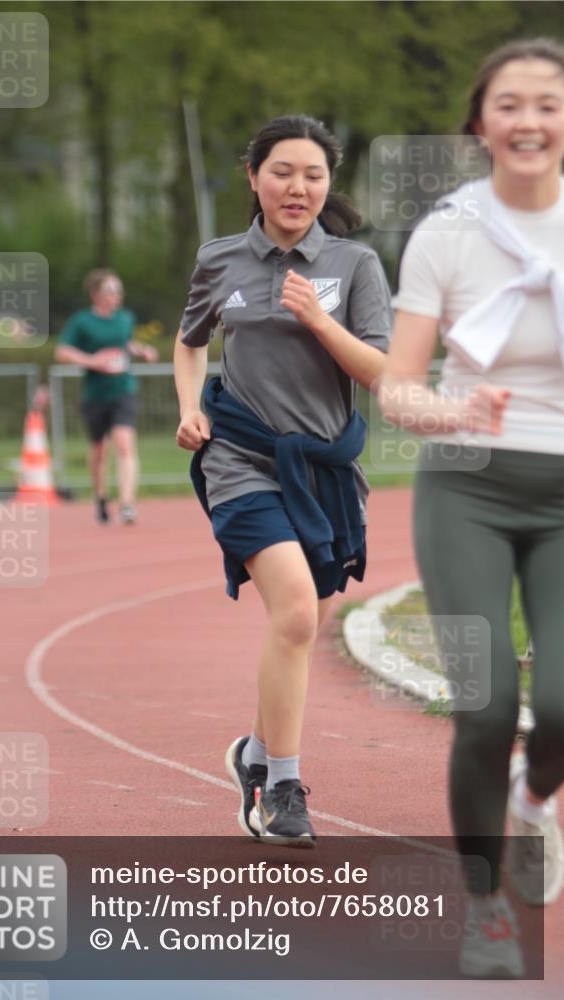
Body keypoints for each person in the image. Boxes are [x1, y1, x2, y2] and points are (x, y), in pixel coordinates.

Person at [379, 38, 564, 978]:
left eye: (548, 104)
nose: (529, 122)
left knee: (561, 704)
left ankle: (534, 800)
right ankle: (484, 907)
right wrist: (451, 411)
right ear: (480, 123)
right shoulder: (447, 232)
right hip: (467, 484)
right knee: (485, 706)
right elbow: (396, 387)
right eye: (509, 105)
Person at [174, 115, 392, 847]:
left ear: (328, 185)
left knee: (307, 619)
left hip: (325, 470)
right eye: (282, 172)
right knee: (295, 610)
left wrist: (320, 322)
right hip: (240, 458)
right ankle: (283, 789)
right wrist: (188, 408)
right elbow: (189, 342)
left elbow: (381, 373)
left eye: (313, 175)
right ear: (253, 176)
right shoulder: (220, 259)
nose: (297, 187)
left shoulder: (355, 264)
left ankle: (255, 753)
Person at [55, 269, 158, 525]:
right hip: (95, 393)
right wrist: (93, 361)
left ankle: (127, 504)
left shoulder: (125, 318)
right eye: (110, 291)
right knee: (100, 449)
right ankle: (100, 496)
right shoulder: (81, 322)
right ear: (95, 294)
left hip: (123, 389)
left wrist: (142, 351)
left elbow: (126, 344)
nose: (116, 296)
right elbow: (62, 352)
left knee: (124, 443)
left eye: (118, 291)